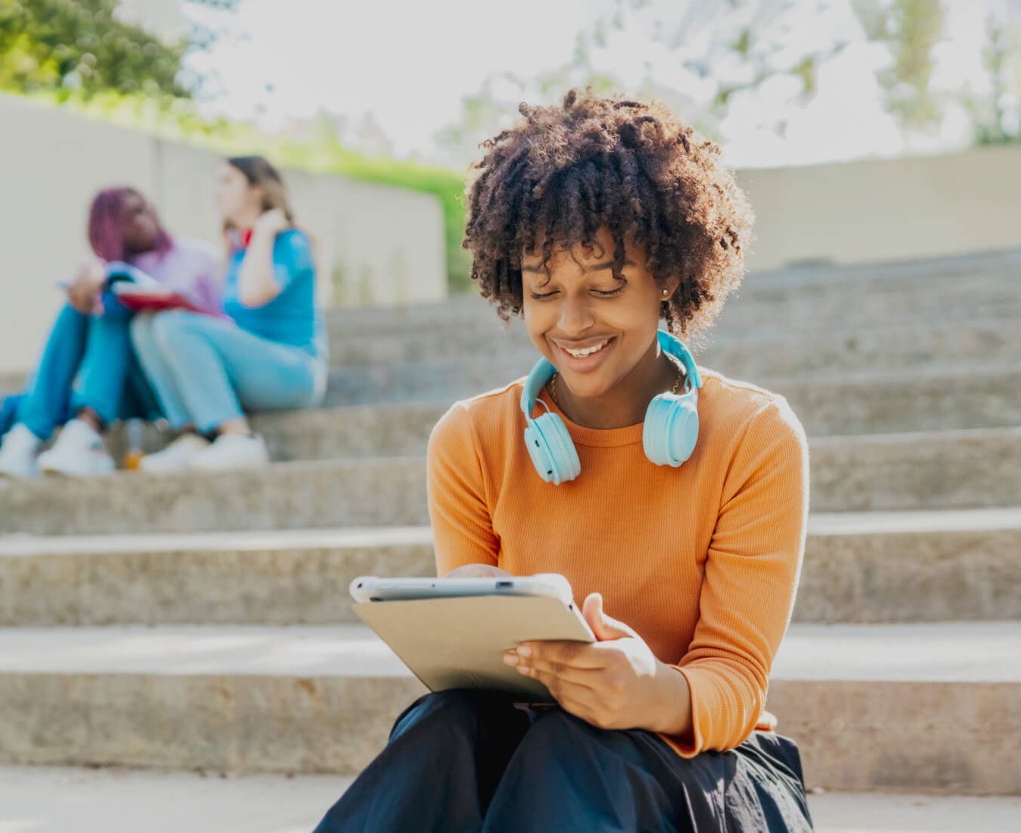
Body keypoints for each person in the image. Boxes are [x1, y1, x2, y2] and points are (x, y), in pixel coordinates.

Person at [313, 90, 814, 832]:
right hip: (535, 766)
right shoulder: (471, 439)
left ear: (669, 275)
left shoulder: (753, 434)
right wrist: (474, 613)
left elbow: (735, 682)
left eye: (605, 288)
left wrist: (650, 691)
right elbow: (478, 692)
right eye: (543, 291)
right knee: (442, 725)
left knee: (575, 747)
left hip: (706, 768)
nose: (571, 323)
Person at [0, 187, 221, 479]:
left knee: (113, 299)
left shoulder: (197, 257)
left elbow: (216, 328)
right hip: (122, 386)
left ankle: (83, 432)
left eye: (143, 208)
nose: (143, 219)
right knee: (79, 306)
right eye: (129, 217)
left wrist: (112, 278)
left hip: (176, 384)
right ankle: (26, 438)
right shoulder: (106, 272)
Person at [131, 155, 327, 472]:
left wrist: (263, 233)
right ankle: (192, 433)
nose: (217, 191)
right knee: (146, 326)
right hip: (251, 366)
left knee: (176, 326)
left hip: (295, 372)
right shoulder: (235, 251)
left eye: (227, 181)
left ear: (257, 191)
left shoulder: (292, 241)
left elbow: (253, 294)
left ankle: (239, 438)